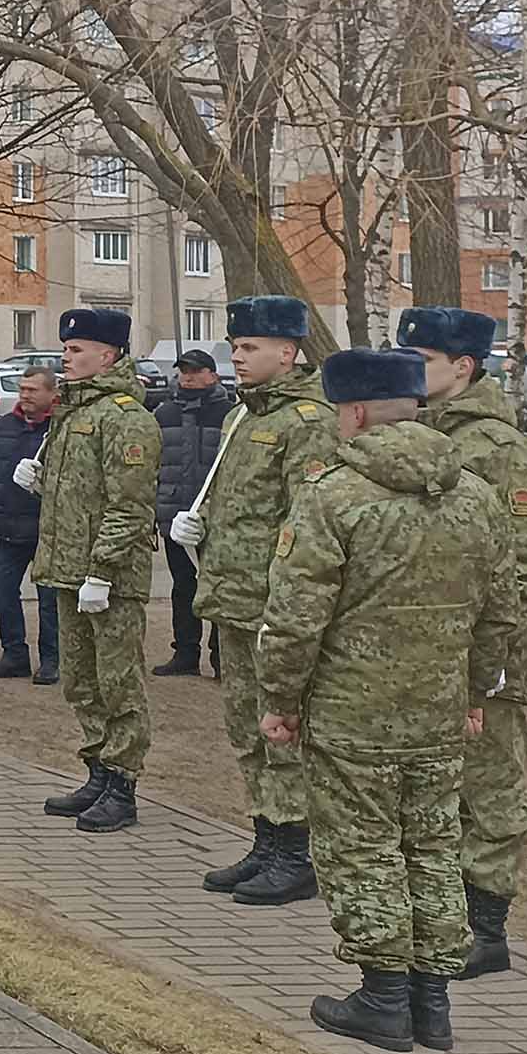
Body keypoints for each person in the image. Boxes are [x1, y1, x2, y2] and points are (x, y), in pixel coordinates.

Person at [258, 346, 509, 1054]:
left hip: (351, 714)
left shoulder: (333, 495)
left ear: (357, 411)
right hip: (436, 712)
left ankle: (383, 998)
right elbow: (501, 611)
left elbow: (295, 617)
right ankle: (433, 1005)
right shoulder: (474, 494)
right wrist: (472, 691)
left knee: (362, 849)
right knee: (433, 848)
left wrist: (279, 698)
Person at [400, 306, 527, 979]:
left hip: (485, 651)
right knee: (442, 783)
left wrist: (491, 655)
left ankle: (486, 925)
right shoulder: (423, 433)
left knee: (489, 782)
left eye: (423, 361)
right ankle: (445, 916)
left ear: (461, 367)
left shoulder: (493, 445)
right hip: (434, 645)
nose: (410, 371)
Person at [182, 297, 337, 903]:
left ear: (289, 352)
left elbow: (307, 520)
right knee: (246, 728)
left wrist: (289, 602)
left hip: (275, 603)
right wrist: (205, 527)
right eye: (236, 346)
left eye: (250, 348)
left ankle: (297, 852)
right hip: (233, 596)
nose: (237, 357)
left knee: (282, 732)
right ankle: (266, 839)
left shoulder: (307, 421)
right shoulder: (242, 417)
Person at [32, 307, 160, 832]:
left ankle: (123, 783)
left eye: (77, 350)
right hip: (68, 569)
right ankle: (97, 770)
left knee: (118, 681)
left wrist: (103, 571)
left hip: (109, 578)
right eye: (66, 349)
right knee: (81, 681)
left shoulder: (126, 416)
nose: (66, 357)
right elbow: (78, 494)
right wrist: (39, 479)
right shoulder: (74, 411)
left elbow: (128, 505)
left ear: (108, 356)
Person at [0, 368, 61, 682]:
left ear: (52, 394)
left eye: (34, 389)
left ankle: (52, 660)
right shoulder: (5, 426)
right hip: (8, 526)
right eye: (23, 389)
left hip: (48, 528)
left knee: (50, 599)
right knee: (3, 590)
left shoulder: (61, 428)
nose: (26, 395)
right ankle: (14, 654)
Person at [149, 348, 236, 677]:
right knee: (183, 586)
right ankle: (185, 652)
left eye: (196, 371)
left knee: (216, 587)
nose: (189, 377)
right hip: (174, 514)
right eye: (184, 371)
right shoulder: (164, 413)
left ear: (212, 375)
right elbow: (155, 465)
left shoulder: (230, 413)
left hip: (216, 517)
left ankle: (220, 656)